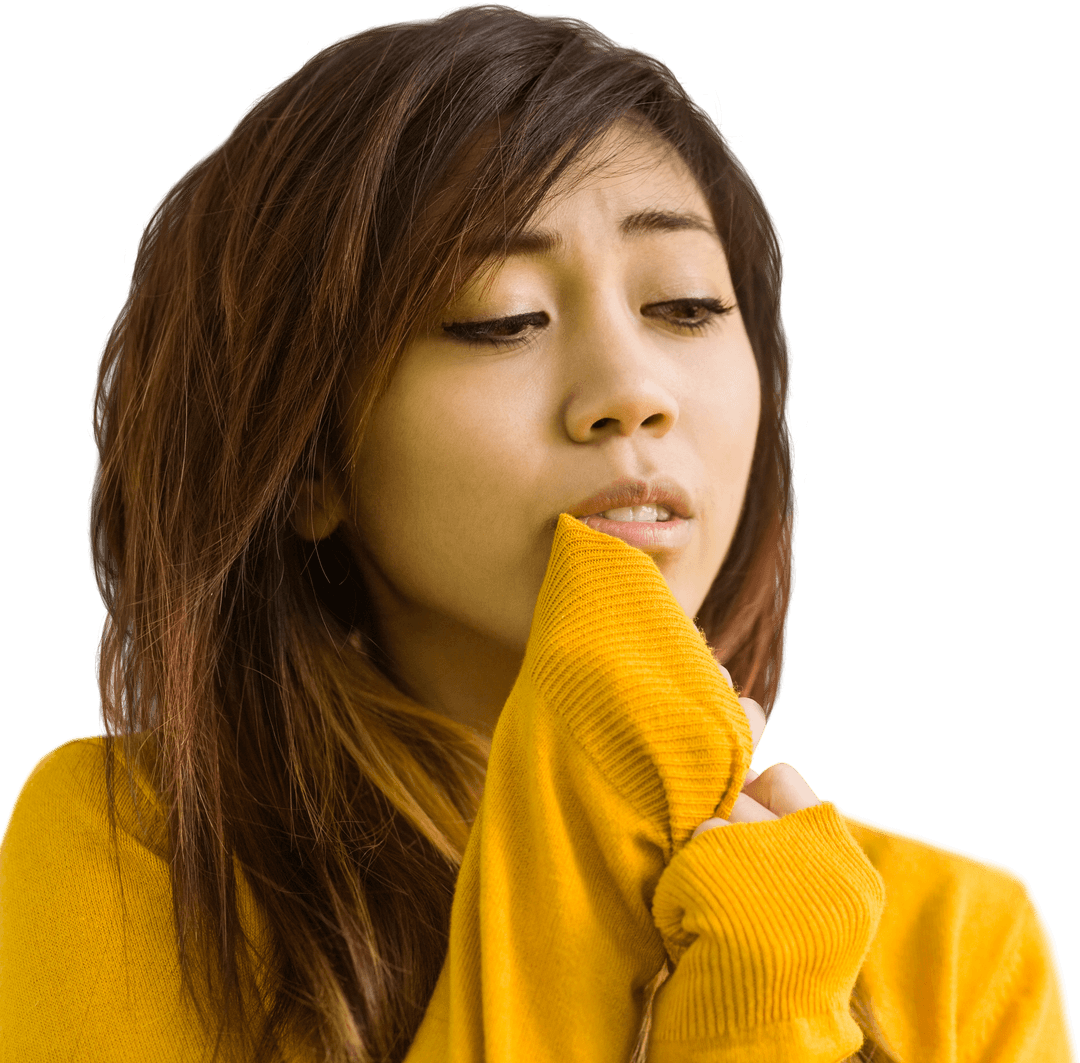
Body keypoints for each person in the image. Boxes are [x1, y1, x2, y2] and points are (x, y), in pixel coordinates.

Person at [0, 5, 1073, 1062]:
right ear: (311, 462)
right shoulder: (138, 852)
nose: (632, 391)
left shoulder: (962, 938)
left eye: (687, 305)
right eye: (500, 318)